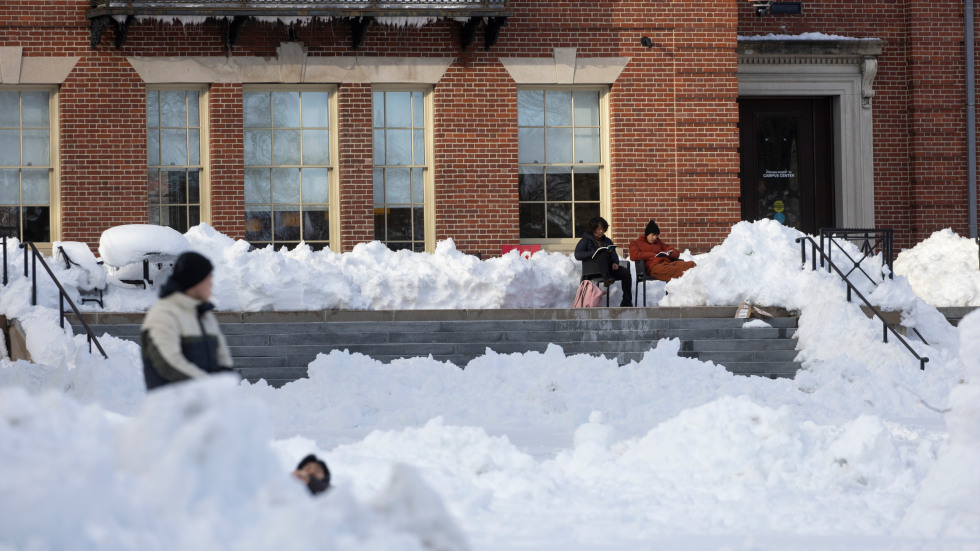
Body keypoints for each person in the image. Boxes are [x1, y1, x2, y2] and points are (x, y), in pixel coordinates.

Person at [140, 251, 236, 390]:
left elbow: (222, 356)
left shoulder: (205, 315)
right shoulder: (163, 313)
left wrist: (227, 384)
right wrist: (211, 386)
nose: (211, 286)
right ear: (195, 282)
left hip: (208, 406)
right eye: (208, 279)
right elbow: (168, 363)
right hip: (172, 407)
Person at [574, 216, 633, 307]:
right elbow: (577, 255)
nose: (601, 231)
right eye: (598, 229)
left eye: (603, 229)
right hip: (593, 268)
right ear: (592, 229)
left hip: (608, 268)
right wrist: (595, 252)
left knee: (626, 273)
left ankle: (626, 302)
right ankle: (606, 278)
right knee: (602, 253)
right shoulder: (585, 240)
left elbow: (613, 254)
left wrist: (615, 263)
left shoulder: (607, 240)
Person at [628, 219, 697, 282]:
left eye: (656, 235)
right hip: (653, 267)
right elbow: (634, 255)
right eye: (653, 235)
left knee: (691, 264)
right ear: (647, 234)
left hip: (667, 263)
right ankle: (689, 289)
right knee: (678, 271)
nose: (655, 238)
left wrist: (668, 253)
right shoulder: (635, 243)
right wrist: (653, 255)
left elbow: (676, 252)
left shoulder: (659, 243)